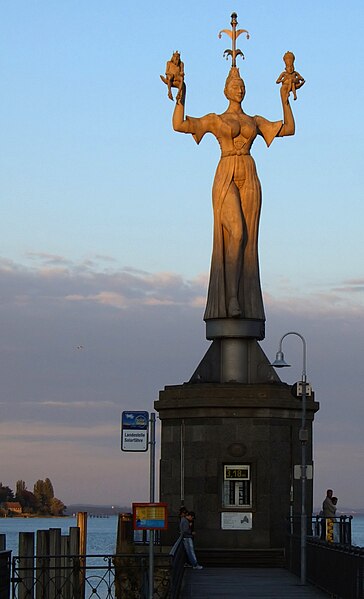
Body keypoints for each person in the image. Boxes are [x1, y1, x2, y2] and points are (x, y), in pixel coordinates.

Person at [172, 64, 296, 321]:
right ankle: (230, 298)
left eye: (241, 87)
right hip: (226, 170)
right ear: (226, 90)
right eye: (234, 86)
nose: (238, 90)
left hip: (249, 172)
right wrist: (181, 94)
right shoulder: (216, 120)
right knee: (236, 233)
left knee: (248, 239)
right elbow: (179, 125)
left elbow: (288, 128)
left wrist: (285, 99)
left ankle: (244, 297)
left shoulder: (255, 121)